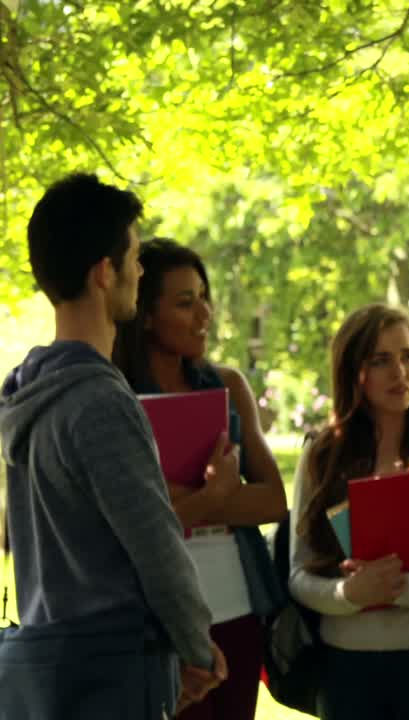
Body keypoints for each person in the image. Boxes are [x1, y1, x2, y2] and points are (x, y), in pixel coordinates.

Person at [0, 173, 230, 715]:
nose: (140, 270)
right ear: (106, 273)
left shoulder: (28, 392)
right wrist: (198, 650)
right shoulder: (99, 402)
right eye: (134, 257)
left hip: (48, 671)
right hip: (111, 672)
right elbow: (156, 547)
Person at [112, 237, 287, 720]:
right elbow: (123, 522)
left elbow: (273, 501)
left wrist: (200, 499)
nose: (204, 314)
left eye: (204, 298)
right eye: (185, 303)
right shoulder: (116, 398)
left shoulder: (228, 386)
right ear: (146, 314)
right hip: (156, 620)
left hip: (237, 610)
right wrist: (222, 496)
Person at [289, 303, 409, 720]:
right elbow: (299, 575)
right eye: (381, 360)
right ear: (353, 371)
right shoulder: (322, 456)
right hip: (347, 668)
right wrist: (349, 595)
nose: (401, 372)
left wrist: (398, 588)